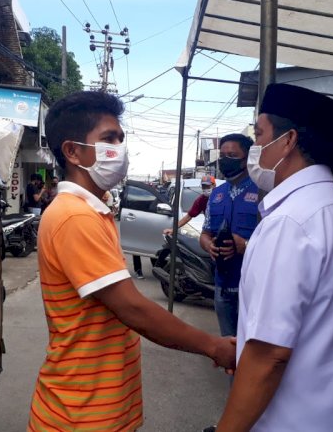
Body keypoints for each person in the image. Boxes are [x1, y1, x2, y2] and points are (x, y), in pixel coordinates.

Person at [31, 90, 235, 431]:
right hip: (80, 414)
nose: (120, 148)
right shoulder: (74, 217)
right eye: (109, 138)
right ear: (72, 151)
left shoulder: (94, 210)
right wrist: (213, 345)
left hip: (100, 405)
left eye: (121, 138)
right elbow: (133, 309)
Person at [215, 83, 333, 431]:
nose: (255, 148)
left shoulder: (289, 222)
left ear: (289, 140)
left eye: (260, 134)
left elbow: (269, 356)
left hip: (299, 420)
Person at [200, 134, 260, 338]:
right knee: (229, 344)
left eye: (232, 155)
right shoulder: (217, 195)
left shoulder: (264, 193)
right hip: (222, 287)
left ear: (247, 159)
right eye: (223, 155)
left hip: (253, 290)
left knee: (251, 347)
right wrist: (209, 245)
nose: (226, 160)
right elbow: (205, 234)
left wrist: (246, 244)